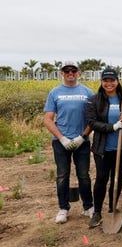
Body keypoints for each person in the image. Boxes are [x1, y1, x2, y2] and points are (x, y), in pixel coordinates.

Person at [85, 68, 122, 228]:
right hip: (102, 148)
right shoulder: (94, 101)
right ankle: (97, 212)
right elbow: (92, 122)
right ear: (102, 82)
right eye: (106, 80)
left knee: (116, 179)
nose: (109, 83)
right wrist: (112, 127)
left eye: (112, 80)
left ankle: (112, 208)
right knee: (101, 178)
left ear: (117, 81)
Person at [43, 61, 95, 224]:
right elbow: (48, 119)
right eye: (67, 71)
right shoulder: (55, 93)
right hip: (61, 142)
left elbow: (92, 119)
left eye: (73, 70)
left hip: (82, 141)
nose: (70, 73)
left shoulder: (87, 92)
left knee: (84, 175)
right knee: (62, 175)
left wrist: (83, 136)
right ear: (62, 73)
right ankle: (63, 208)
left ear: (78, 72)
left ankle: (88, 207)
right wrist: (61, 138)